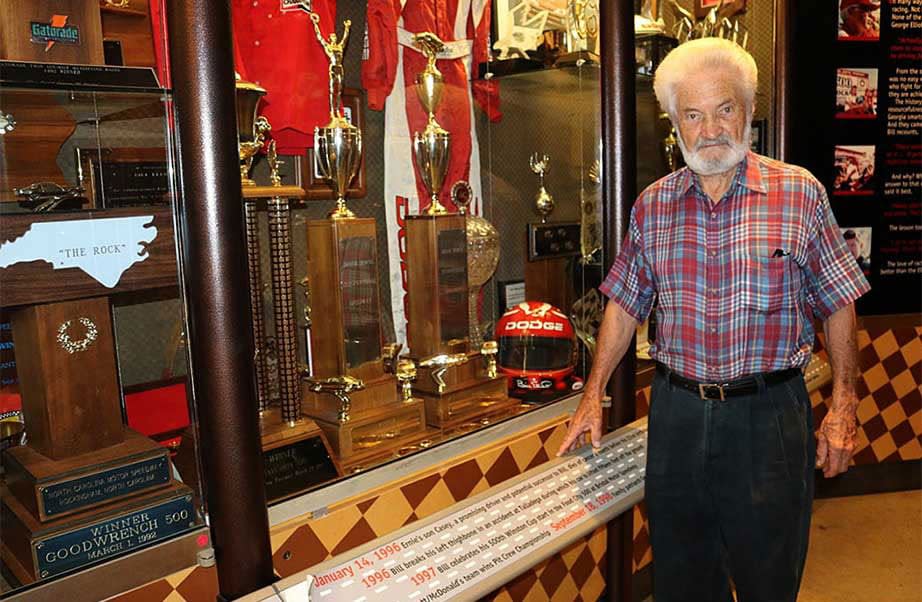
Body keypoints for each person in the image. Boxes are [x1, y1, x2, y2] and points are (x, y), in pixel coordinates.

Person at [557, 38, 870, 601]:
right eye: (692, 116)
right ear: (674, 124)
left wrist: (844, 404)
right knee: (682, 580)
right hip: (677, 418)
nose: (710, 131)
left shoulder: (799, 193)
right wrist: (592, 393)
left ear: (748, 112)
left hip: (769, 417)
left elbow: (840, 299)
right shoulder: (653, 205)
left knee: (768, 580)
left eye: (724, 110)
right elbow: (625, 301)